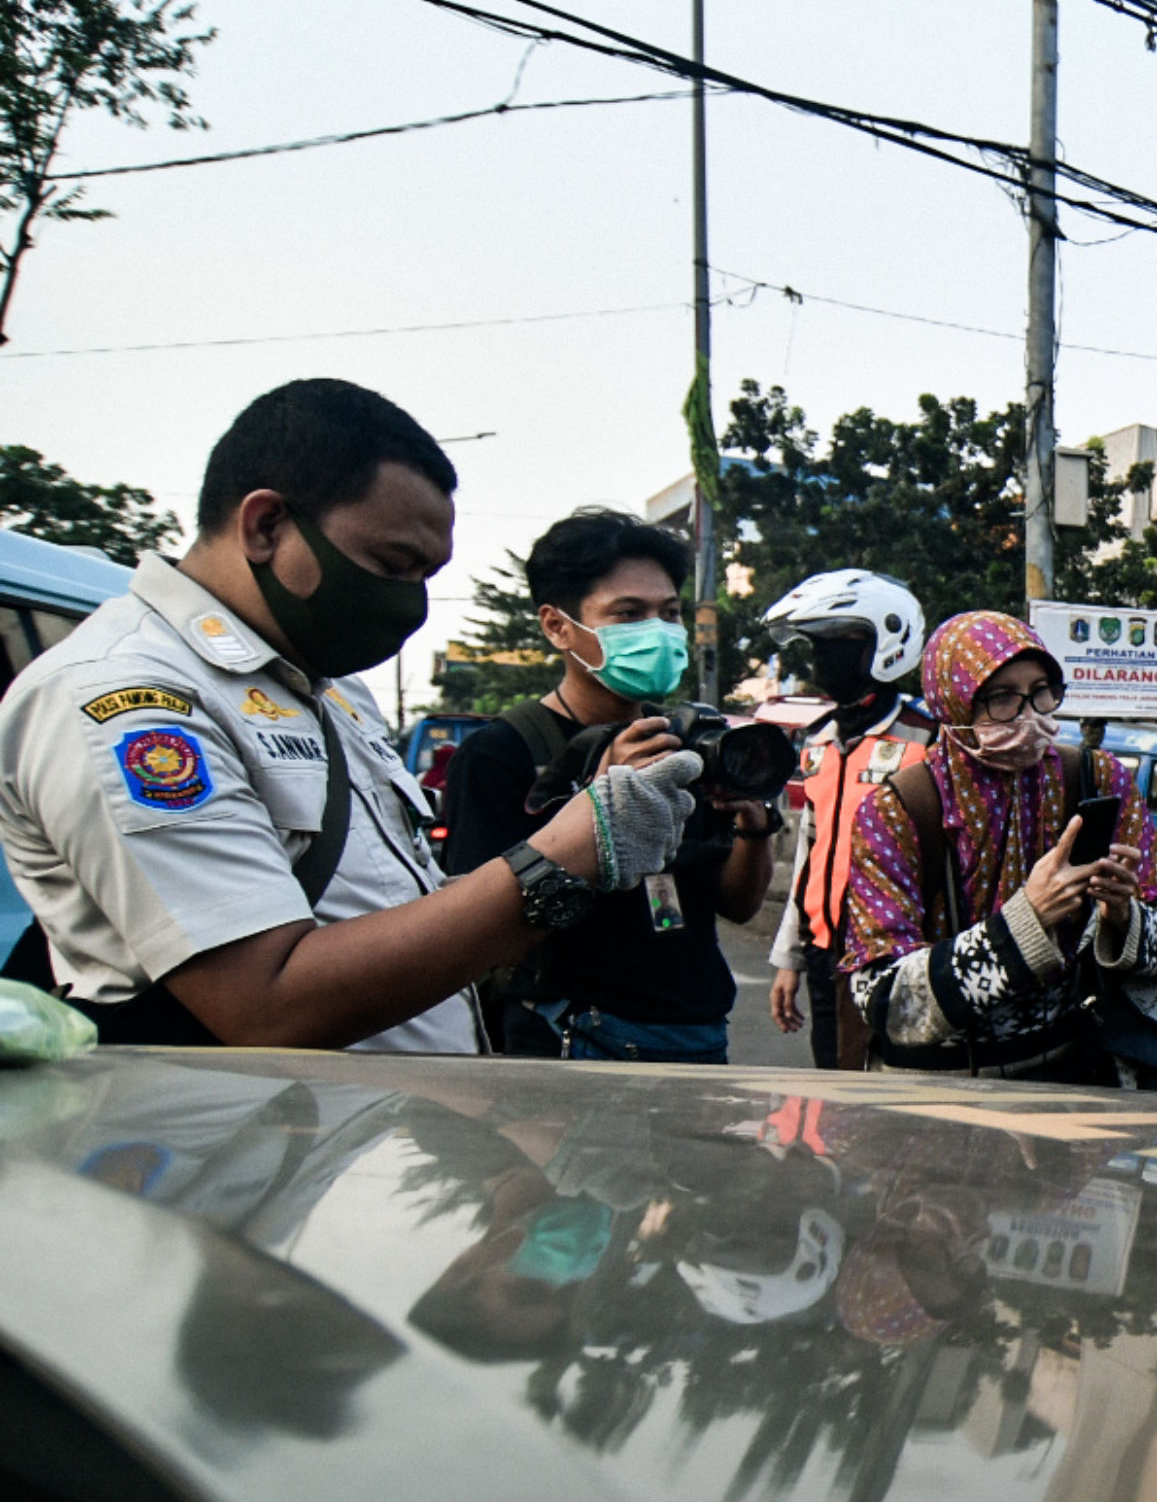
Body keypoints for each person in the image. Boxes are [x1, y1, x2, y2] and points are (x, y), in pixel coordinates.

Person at [0, 378, 698, 1051]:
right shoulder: (127, 698)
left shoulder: (328, 690)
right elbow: (264, 1004)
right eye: (393, 564)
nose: (413, 605)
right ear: (267, 524)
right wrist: (567, 854)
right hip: (247, 1155)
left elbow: (380, 906)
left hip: (367, 1144)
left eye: (427, 574)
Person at [439, 511, 773, 1064]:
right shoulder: (503, 753)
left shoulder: (685, 742)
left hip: (697, 1033)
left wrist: (753, 826)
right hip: (570, 1039)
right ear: (557, 626)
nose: (660, 631)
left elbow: (737, 904)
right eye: (628, 613)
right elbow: (476, 936)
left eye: (669, 613)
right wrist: (593, 808)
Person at [842, 611, 1157, 1085]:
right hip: (935, 1089)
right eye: (1001, 698)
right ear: (953, 704)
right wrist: (1026, 921)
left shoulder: (1099, 780)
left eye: (1040, 691)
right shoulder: (899, 810)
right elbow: (886, 1000)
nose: (1030, 715)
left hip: (1074, 1072)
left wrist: (1122, 918)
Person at [759, 570, 934, 1069]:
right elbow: (809, 858)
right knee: (834, 1088)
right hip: (823, 950)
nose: (822, 658)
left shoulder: (927, 741)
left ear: (888, 643)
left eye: (837, 642)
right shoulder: (820, 741)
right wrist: (789, 958)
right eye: (817, 644)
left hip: (899, 951)